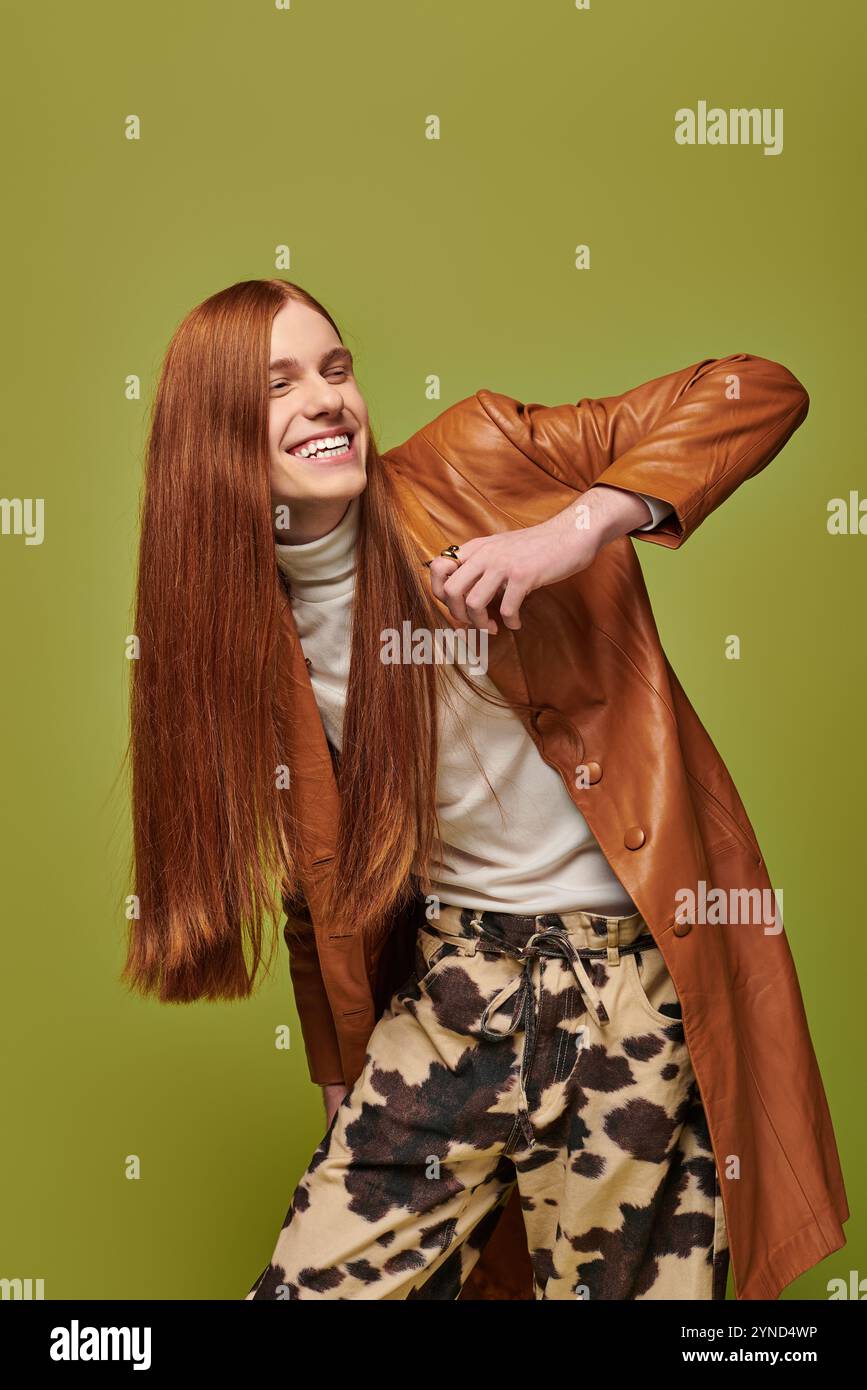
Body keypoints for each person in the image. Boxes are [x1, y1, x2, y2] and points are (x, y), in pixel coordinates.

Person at [124, 277, 848, 1301]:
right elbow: (312, 881)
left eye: (336, 368)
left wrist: (575, 529)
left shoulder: (486, 456)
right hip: (453, 992)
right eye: (276, 383)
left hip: (624, 997)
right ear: (212, 434)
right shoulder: (245, 632)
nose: (325, 398)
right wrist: (341, 1080)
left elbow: (756, 390)